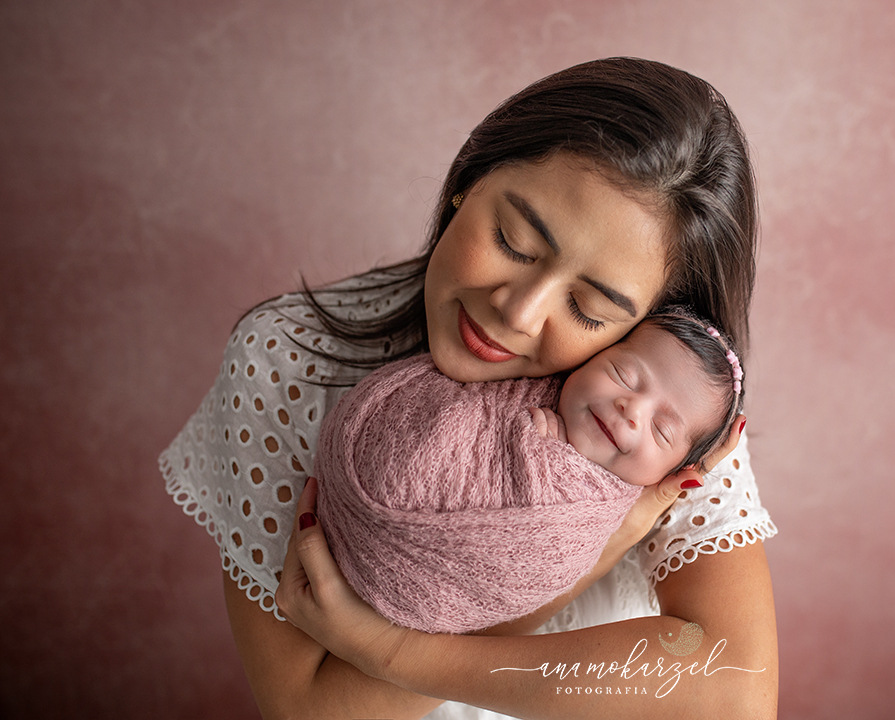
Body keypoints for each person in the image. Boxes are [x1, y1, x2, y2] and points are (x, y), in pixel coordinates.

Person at [160, 57, 778, 719]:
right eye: (513, 239)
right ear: (470, 178)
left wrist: (388, 651)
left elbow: (735, 695)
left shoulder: (654, 401)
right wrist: (603, 544)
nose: (518, 311)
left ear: (657, 318)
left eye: (591, 310)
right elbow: (311, 710)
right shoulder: (290, 359)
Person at [314, 310, 746, 635]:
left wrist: (544, 462)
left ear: (679, 470)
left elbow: (531, 570)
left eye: (662, 429)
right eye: (623, 375)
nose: (631, 411)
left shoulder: (602, 509)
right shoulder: (523, 372)